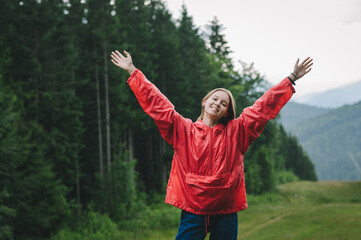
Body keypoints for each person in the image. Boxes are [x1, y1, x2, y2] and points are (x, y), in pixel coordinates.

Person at [111, 49, 313, 240]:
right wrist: (132, 71)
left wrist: (291, 79)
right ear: (205, 101)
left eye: (224, 103)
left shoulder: (238, 131)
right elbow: (158, 104)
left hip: (226, 211)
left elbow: (262, 108)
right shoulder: (183, 130)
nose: (218, 103)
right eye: (215, 99)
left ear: (227, 112)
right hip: (193, 211)